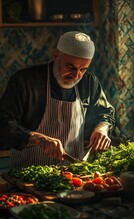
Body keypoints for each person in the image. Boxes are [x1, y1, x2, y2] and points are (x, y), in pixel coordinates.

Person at [0, 31, 115, 169]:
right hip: (26, 174)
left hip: (72, 174)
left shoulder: (89, 82)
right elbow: (4, 125)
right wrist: (39, 139)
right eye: (70, 67)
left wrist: (102, 129)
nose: (76, 75)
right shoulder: (24, 81)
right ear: (56, 56)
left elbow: (105, 112)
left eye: (83, 69)